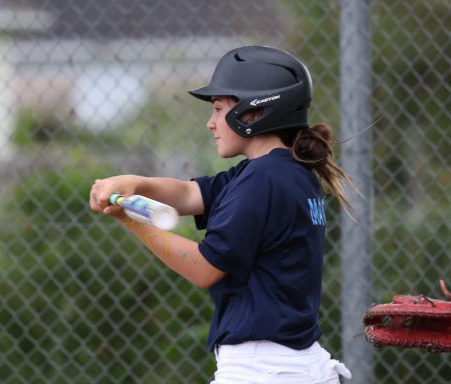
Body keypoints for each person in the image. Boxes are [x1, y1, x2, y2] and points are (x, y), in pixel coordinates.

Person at [89, 45, 353, 383]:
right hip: (291, 364)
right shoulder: (283, 172)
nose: (210, 123)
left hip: (265, 370)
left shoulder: (263, 180)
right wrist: (136, 183)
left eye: (218, 109)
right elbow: (189, 193)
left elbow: (203, 269)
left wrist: (130, 220)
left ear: (254, 112)